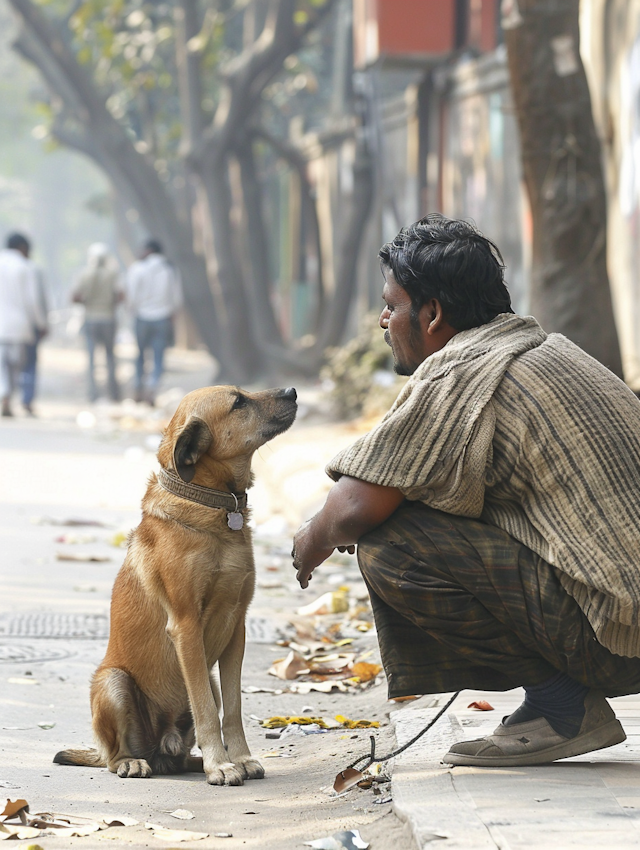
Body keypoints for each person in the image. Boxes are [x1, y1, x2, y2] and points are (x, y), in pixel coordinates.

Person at [292, 214, 640, 768]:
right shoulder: (551, 349)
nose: (384, 320)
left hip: (617, 640)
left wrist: (309, 540)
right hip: (626, 620)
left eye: (392, 305)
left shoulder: (461, 370)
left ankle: (563, 708)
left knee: (391, 543)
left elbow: (355, 509)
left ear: (431, 315)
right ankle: (556, 702)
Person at [126, 239, 182, 405]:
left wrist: (132, 310)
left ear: (149, 250)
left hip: (142, 317)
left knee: (140, 355)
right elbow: (177, 296)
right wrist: (173, 313)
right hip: (163, 317)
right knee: (158, 357)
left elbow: (132, 295)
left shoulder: (137, 268)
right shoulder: (169, 269)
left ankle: (138, 386)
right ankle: (153, 386)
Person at [0, 233, 47, 418]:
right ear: (23, 248)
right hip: (19, 326)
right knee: (16, 366)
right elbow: (32, 300)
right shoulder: (25, 267)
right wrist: (41, 323)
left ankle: (4, 396)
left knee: (2, 365)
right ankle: (10, 397)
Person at [72, 243, 121, 402]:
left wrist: (88, 301)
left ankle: (92, 394)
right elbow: (120, 295)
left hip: (91, 319)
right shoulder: (113, 274)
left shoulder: (84, 274)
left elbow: (75, 297)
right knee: (110, 357)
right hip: (108, 318)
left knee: (92, 359)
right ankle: (113, 394)